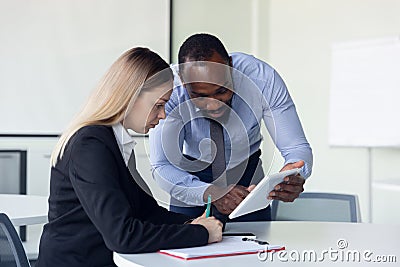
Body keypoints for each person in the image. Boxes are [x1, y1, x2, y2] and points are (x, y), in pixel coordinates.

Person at [36, 47, 223, 267]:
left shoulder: (115, 141)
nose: (162, 115)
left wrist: (196, 223)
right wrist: (199, 234)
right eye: (159, 105)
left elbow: (146, 212)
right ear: (132, 95)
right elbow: (123, 236)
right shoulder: (91, 146)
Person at [149, 33, 313, 222]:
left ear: (231, 68)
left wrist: (294, 175)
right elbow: (161, 165)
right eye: (201, 96)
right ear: (182, 80)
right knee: (185, 248)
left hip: (248, 178)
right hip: (189, 178)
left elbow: (296, 148)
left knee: (256, 248)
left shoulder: (262, 79)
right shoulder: (169, 92)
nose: (214, 105)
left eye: (222, 91)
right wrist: (211, 192)